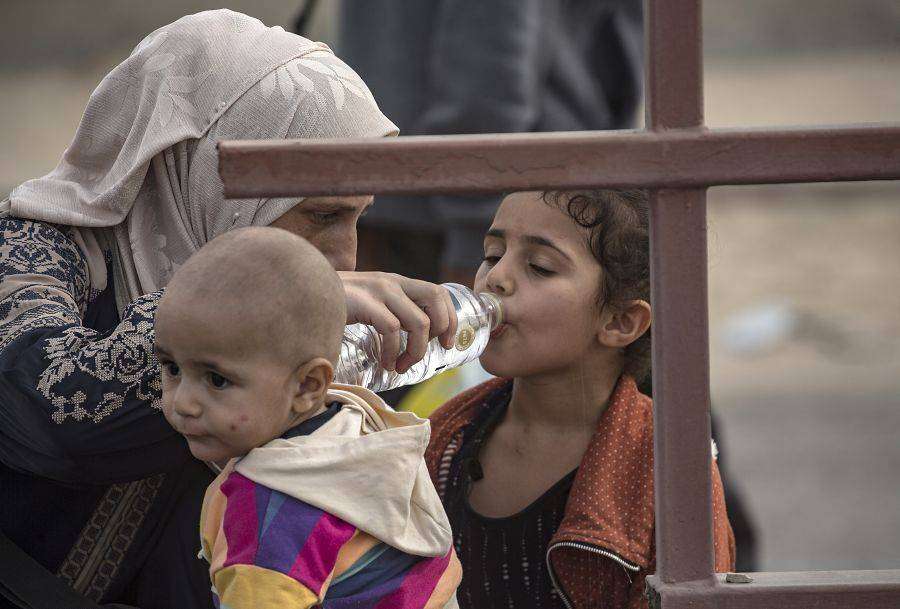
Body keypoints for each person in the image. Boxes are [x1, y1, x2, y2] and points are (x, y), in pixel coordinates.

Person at [0, 11, 458, 609]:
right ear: (204, 179)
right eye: (322, 216)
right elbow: (51, 411)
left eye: (357, 217)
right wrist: (262, 303)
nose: (345, 256)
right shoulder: (30, 249)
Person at [425, 190, 736, 609]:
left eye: (539, 266)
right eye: (492, 254)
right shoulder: (442, 439)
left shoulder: (669, 470)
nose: (495, 278)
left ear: (620, 321)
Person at [154, 227, 460, 609]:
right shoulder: (353, 427)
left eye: (217, 380)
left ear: (307, 386)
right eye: (171, 368)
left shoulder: (271, 517)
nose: (183, 403)